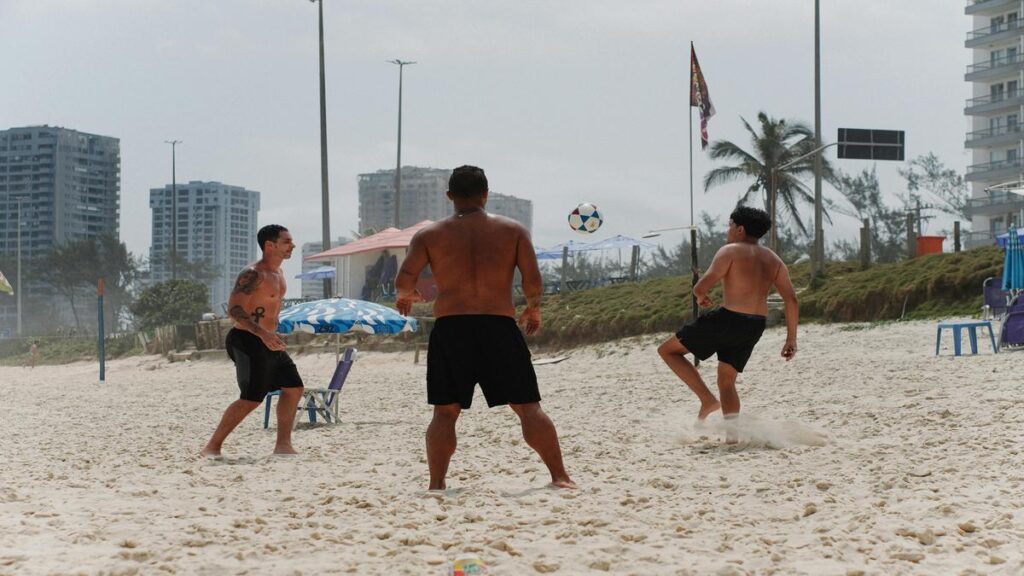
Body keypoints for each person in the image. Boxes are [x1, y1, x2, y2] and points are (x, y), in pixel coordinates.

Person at [395, 165, 576, 490]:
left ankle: (437, 484)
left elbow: (404, 279)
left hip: (451, 329)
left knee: (445, 412)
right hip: (498, 326)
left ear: (450, 196)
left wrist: (406, 295)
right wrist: (533, 309)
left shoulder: (429, 236)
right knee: (527, 407)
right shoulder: (513, 230)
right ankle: (559, 477)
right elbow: (532, 280)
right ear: (486, 194)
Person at [657, 206, 799, 441]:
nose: (728, 230)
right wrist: (791, 338)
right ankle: (732, 437)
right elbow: (791, 299)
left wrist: (701, 296)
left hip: (728, 319)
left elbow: (701, 286)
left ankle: (707, 400)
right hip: (755, 325)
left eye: (730, 225)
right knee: (727, 380)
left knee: (668, 351)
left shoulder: (730, 251)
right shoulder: (774, 260)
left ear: (740, 229)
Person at [201, 225, 304, 458]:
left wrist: (273, 333)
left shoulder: (279, 274)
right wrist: (262, 333)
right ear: (270, 245)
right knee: (252, 398)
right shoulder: (252, 274)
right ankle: (212, 446)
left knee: (293, 388)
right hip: (246, 339)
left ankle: (283, 445)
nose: (292, 246)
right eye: (287, 241)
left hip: (269, 340)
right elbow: (234, 310)